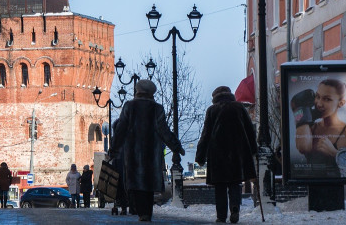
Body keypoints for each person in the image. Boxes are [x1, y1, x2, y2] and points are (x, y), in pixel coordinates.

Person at [109, 79, 185, 222]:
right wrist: (176, 146)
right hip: (152, 152)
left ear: (137, 91)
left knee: (136, 183)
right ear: (151, 93)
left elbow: (121, 130)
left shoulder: (129, 106)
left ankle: (141, 212)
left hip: (133, 152)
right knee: (149, 184)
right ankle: (147, 213)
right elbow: (164, 131)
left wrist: (114, 149)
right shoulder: (157, 108)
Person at [195, 86, 257, 224]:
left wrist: (200, 156)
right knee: (235, 183)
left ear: (215, 97)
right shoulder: (239, 108)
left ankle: (221, 216)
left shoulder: (212, 110)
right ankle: (235, 207)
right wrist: (253, 150)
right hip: (237, 152)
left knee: (220, 186)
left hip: (217, 154)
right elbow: (249, 130)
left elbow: (205, 134)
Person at [294, 79, 346, 178]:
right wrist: (304, 114)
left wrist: (334, 153)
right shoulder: (310, 128)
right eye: (317, 96)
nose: (319, 104)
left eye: (327, 99)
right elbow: (303, 148)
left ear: (341, 103)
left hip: (339, 188)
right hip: (313, 187)